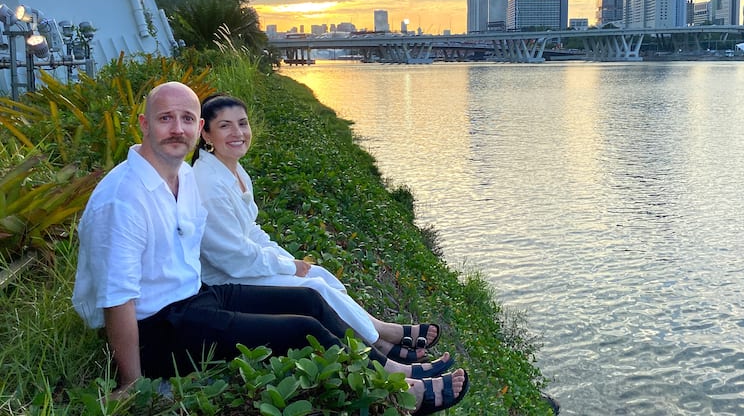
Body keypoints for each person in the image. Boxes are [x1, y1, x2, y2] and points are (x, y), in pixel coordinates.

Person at [71, 82, 468, 414]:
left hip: (195, 298)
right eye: (165, 119)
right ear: (144, 124)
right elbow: (117, 299)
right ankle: (401, 393)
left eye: (187, 119)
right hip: (157, 328)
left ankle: (391, 368)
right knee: (301, 330)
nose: (178, 129)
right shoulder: (123, 199)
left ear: (198, 128)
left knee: (310, 301)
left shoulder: (183, 177)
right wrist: (132, 383)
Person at [192, 93, 438, 364]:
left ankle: (377, 332)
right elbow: (232, 257)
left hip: (243, 266)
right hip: (226, 280)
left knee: (319, 274)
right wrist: (287, 267)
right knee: (315, 287)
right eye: (225, 126)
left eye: (242, 123)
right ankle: (378, 342)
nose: (238, 133)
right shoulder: (209, 184)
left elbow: (251, 230)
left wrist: (287, 260)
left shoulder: (233, 170)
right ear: (206, 133)